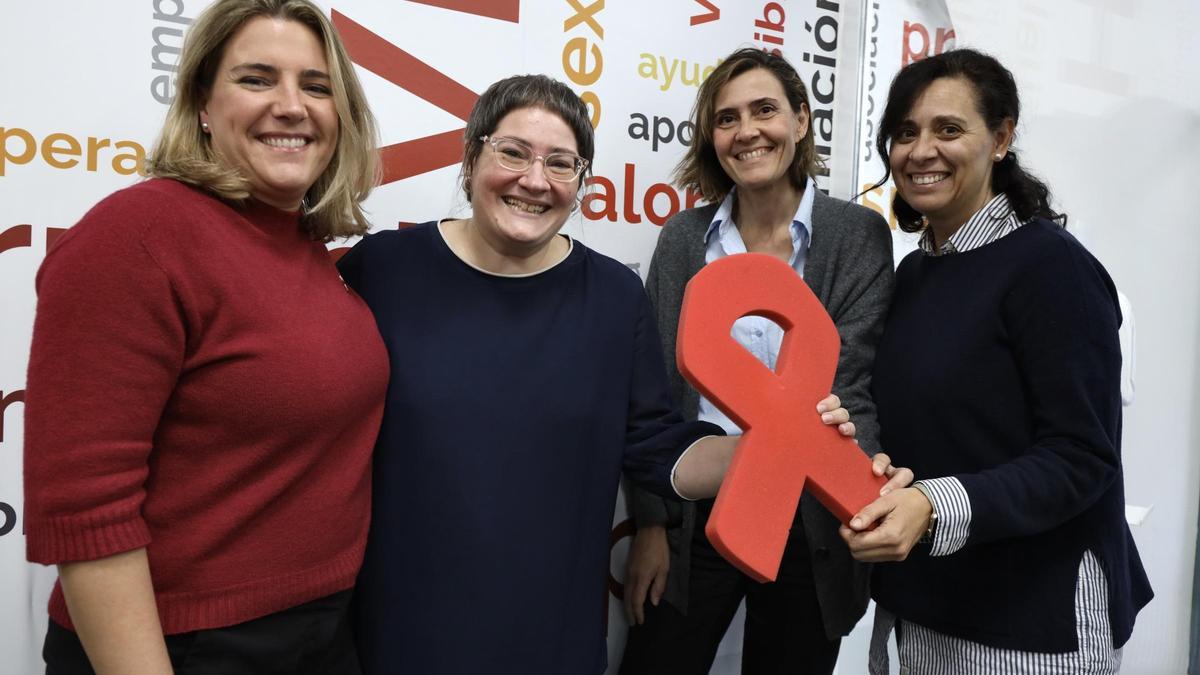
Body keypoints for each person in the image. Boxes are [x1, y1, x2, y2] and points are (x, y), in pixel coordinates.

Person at [340, 74, 899, 675]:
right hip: (407, 621)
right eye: (512, 152)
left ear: (581, 182)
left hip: (550, 628)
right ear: (472, 154)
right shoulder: (383, 272)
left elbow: (655, 442)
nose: (534, 179)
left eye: (561, 163)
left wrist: (787, 449)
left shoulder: (612, 294)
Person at [23, 1, 386, 673]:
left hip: (320, 632)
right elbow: (86, 515)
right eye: (256, 79)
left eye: (315, 86)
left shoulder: (306, 250)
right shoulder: (135, 237)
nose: (291, 105)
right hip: (184, 646)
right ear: (201, 104)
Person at [840, 48, 1153, 673]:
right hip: (926, 604)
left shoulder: (1052, 269)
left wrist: (932, 506)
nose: (920, 150)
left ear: (1002, 138)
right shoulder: (915, 273)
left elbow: (1080, 457)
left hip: (1030, 622)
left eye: (948, 129)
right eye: (905, 132)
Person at [618, 48, 896, 674]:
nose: (746, 131)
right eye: (726, 118)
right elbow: (658, 392)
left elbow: (849, 385)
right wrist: (652, 524)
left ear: (801, 121)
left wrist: (863, 498)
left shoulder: (856, 235)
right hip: (699, 515)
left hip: (811, 522)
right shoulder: (687, 240)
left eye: (764, 110)